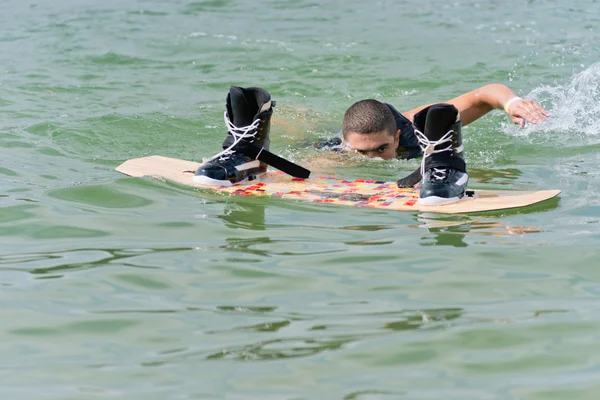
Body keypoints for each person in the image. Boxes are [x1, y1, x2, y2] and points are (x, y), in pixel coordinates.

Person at [193, 85, 549, 205]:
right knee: (304, 137)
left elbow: (484, 95)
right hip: (336, 138)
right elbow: (309, 173)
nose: (374, 159)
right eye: (363, 152)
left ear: (395, 137)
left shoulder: (410, 127)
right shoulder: (339, 150)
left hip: (402, 125)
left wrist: (513, 103)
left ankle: (445, 166)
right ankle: (248, 145)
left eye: (382, 150)